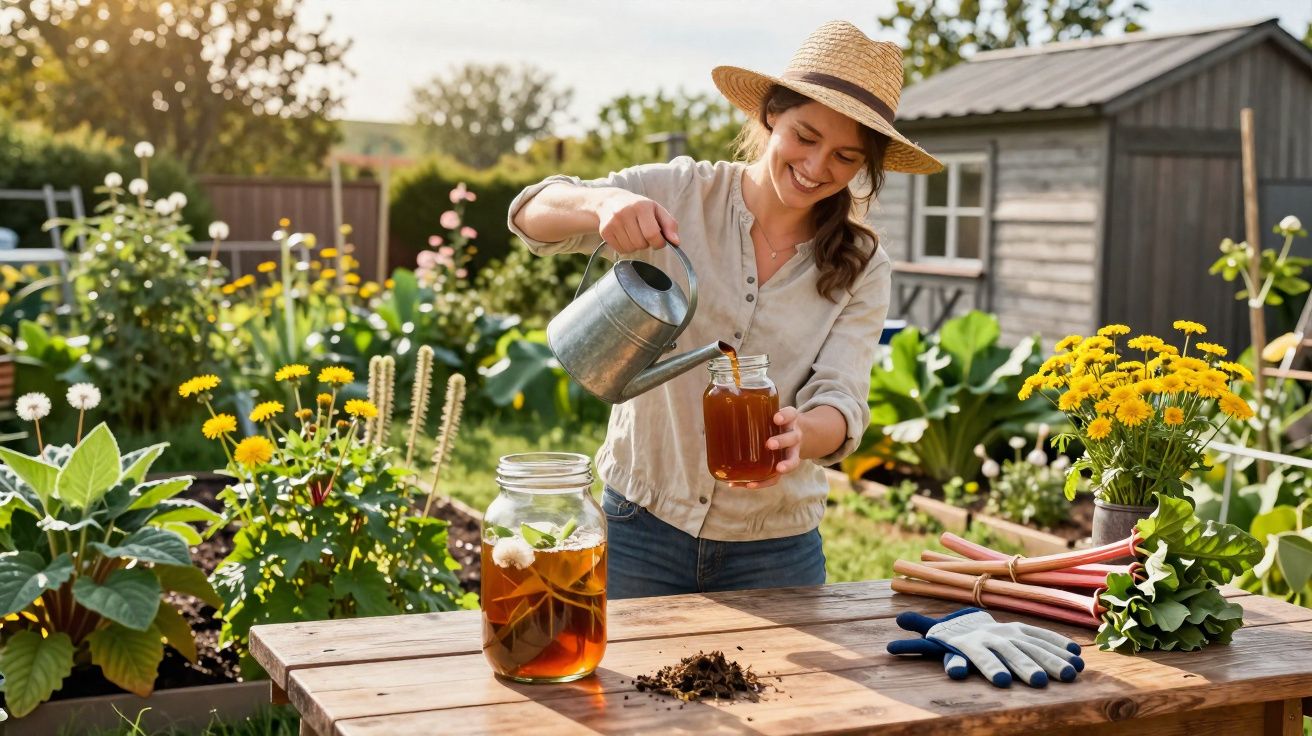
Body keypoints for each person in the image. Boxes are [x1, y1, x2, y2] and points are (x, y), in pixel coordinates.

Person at [507, 20, 942, 599]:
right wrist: (601, 202)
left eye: (844, 157)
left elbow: (843, 397)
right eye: (805, 136)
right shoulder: (677, 193)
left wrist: (802, 434)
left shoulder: (862, 264)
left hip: (774, 548)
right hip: (639, 524)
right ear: (770, 117)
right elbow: (531, 216)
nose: (817, 167)